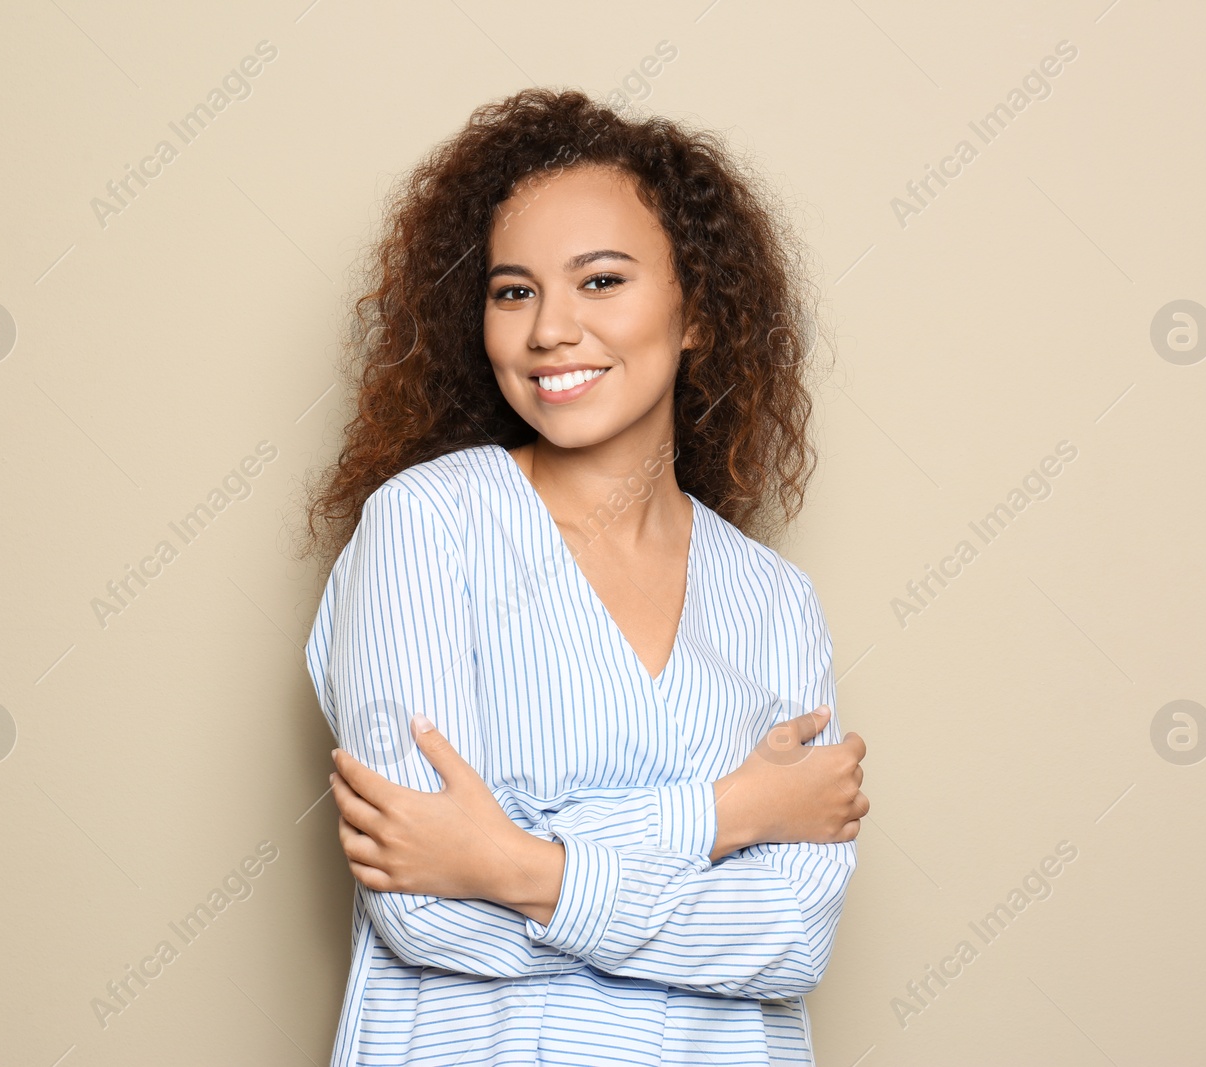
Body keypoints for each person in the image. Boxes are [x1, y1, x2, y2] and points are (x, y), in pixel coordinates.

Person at [301, 87, 871, 1066]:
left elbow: (786, 937)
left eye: (600, 281)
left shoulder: (776, 602)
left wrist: (511, 861)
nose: (549, 330)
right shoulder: (428, 524)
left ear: (696, 309)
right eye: (513, 290)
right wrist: (728, 812)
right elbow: (424, 907)